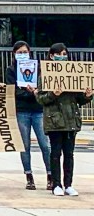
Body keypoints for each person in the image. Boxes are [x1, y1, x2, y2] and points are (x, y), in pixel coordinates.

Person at [37, 43, 93, 197]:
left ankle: (68, 184)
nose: (62, 57)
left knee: (69, 154)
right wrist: (53, 94)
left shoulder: (72, 74)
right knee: (55, 153)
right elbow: (41, 98)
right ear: (51, 56)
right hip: (55, 121)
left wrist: (87, 96)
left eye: (64, 54)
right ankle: (56, 184)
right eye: (59, 54)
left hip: (71, 120)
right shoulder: (45, 75)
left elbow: (79, 99)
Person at [6, 40, 52, 191]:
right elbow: (13, 91)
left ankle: (50, 175)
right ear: (14, 54)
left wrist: (35, 92)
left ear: (29, 53)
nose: (22, 55)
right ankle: (29, 176)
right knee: (24, 146)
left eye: (25, 52)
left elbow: (43, 87)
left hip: (38, 110)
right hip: (22, 111)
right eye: (19, 52)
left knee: (45, 145)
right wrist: (30, 93)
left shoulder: (37, 68)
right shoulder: (11, 70)